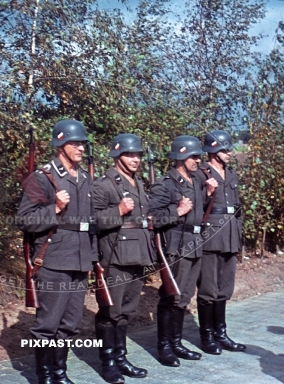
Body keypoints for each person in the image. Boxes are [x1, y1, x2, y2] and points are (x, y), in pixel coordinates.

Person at [16, 119, 98, 384]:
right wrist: (56, 209)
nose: (81, 148)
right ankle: (44, 375)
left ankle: (59, 372)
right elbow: (25, 219)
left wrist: (94, 258)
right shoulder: (42, 178)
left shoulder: (85, 178)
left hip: (80, 259)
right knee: (47, 324)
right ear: (60, 145)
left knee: (70, 323)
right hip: (53, 260)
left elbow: (90, 224)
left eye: (82, 144)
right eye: (75, 143)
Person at [148, 135, 217, 367]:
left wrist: (207, 195)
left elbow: (199, 210)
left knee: (185, 296)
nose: (198, 160)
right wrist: (176, 212)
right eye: (194, 156)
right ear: (181, 156)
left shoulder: (196, 180)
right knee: (171, 297)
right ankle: (165, 347)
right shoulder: (165, 184)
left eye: (199, 156)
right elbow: (153, 218)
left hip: (195, 243)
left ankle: (176, 343)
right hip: (176, 245)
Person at [92, 134, 155, 383]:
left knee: (126, 311)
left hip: (137, 254)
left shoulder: (138, 183)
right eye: (130, 154)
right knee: (110, 312)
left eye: (138, 155)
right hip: (115, 257)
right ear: (117, 156)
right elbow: (92, 222)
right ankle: (107, 362)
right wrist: (117, 212)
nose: (135, 159)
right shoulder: (104, 184)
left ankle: (120, 357)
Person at [195, 130, 246, 354]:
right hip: (209, 237)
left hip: (230, 235)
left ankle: (221, 333)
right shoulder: (200, 173)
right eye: (226, 150)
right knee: (207, 289)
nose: (230, 153)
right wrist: (207, 192)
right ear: (214, 150)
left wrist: (239, 234)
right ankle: (207, 336)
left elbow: (238, 208)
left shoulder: (231, 174)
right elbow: (195, 206)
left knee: (225, 287)